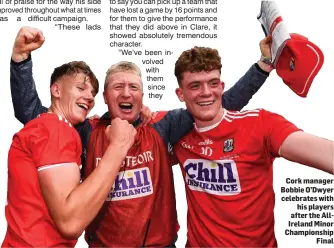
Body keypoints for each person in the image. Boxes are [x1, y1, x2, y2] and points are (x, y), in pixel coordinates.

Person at [9, 26, 273, 246]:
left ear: (141, 96)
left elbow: (218, 105)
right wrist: (20, 61)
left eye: (133, 87)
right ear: (104, 98)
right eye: (118, 87)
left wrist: (262, 66)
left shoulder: (162, 125)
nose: (126, 93)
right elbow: (33, 114)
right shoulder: (87, 130)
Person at [172, 46, 333, 247]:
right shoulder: (176, 133)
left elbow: (327, 154)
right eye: (195, 86)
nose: (206, 93)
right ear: (180, 93)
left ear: (221, 86)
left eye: (213, 83)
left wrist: (265, 62)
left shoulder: (260, 124)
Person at [2, 48, 137, 246]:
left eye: (92, 93)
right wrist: (118, 147)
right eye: (81, 88)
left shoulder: (53, 128)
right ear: (56, 90)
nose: (90, 97)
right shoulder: (54, 128)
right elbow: (70, 222)